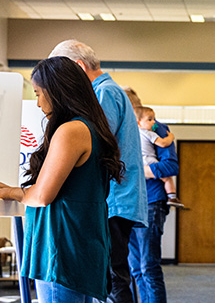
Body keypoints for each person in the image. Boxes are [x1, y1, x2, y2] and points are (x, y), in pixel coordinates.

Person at [0, 56, 124, 302]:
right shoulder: (90, 127)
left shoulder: (71, 131)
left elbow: (42, 195)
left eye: (38, 93)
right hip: (80, 244)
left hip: (61, 248)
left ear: (58, 91)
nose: (37, 103)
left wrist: (12, 192)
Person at [48, 40, 149, 303]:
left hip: (112, 200)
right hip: (115, 199)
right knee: (112, 276)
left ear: (79, 67)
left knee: (111, 278)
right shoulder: (109, 92)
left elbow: (93, 144)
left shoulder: (103, 94)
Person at [123, 87, 178, 303]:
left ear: (134, 107)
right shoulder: (120, 130)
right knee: (135, 269)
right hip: (127, 205)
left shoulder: (156, 129)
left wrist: (139, 172)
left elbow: (171, 166)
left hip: (151, 202)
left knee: (148, 267)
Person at [136, 107, 184, 208]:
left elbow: (170, 166)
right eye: (150, 120)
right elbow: (163, 143)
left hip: (139, 162)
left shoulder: (133, 133)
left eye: (153, 119)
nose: (154, 122)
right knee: (167, 179)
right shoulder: (149, 133)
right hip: (149, 160)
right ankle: (172, 196)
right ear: (139, 122)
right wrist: (171, 137)